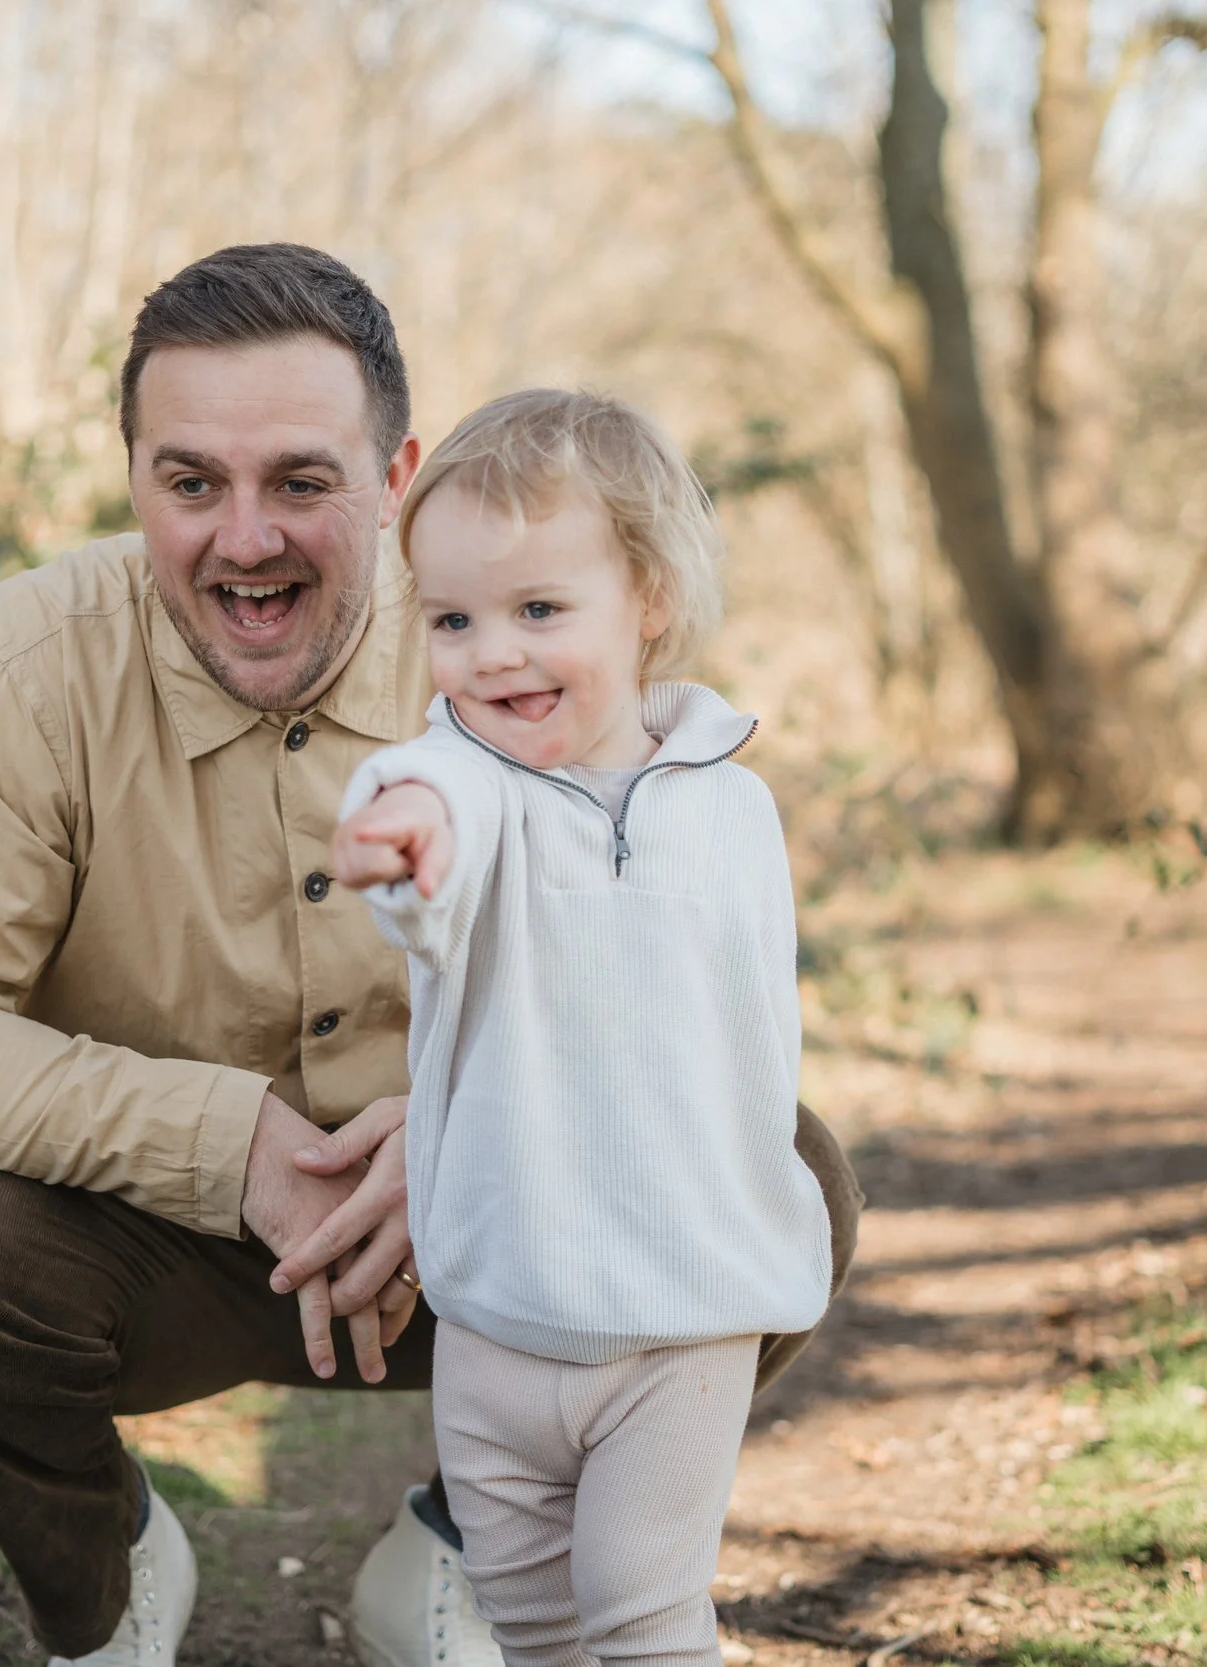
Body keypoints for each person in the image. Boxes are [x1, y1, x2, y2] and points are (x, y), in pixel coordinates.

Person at [0, 244, 861, 1667]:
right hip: (139, 1237)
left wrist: (465, 1119)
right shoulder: (5, 676)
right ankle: (104, 1563)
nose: (245, 539)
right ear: (135, 480)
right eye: (191, 483)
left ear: (395, 475)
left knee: (783, 1177)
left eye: (301, 481)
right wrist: (222, 1141)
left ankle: (472, 1548)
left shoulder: (511, 649)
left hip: (477, 1224)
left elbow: (657, 958)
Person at [320, 389, 825, 1667]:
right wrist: (405, 843)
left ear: (647, 597)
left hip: (681, 1315)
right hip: (497, 1313)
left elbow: (751, 1038)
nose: (495, 654)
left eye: (541, 610)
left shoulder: (732, 807)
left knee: (643, 1608)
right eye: (454, 619)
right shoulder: (470, 784)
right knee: (531, 1620)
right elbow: (433, 800)